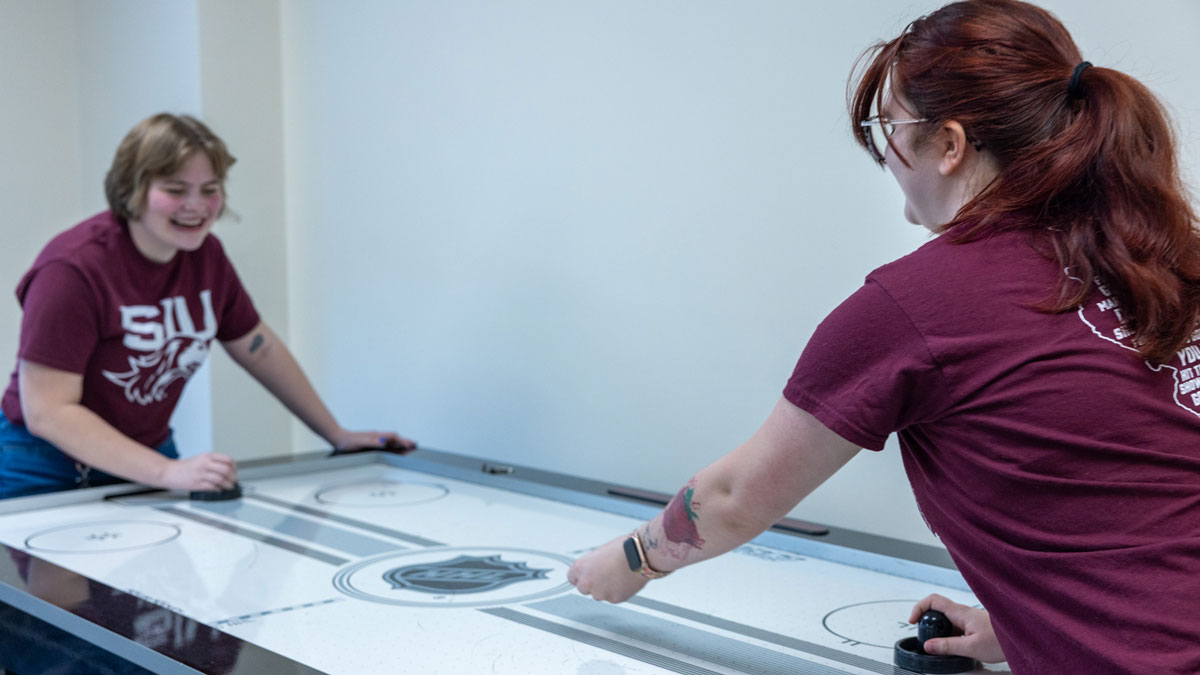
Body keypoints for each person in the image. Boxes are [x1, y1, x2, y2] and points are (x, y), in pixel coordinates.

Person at [568, 1, 1200, 672]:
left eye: (889, 126)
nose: (884, 152)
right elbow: (1134, 496)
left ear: (951, 145)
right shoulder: (1160, 260)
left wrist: (630, 560)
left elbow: (733, 497)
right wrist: (1027, 620)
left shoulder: (919, 305)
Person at [0, 113, 415, 500]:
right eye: (175, 190)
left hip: (146, 451)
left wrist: (337, 434)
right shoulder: (72, 270)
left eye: (210, 190)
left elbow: (258, 346)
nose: (196, 206)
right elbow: (49, 412)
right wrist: (166, 473)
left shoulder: (205, 255)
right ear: (132, 189)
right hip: (45, 465)